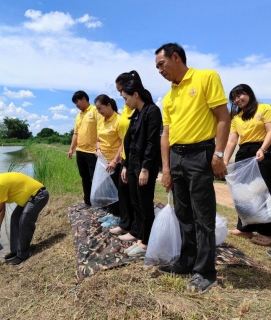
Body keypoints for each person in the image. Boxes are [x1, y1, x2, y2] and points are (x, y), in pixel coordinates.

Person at [155, 42, 230, 294]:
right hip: (176, 157)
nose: (159, 70)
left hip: (200, 154)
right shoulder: (168, 96)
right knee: (183, 214)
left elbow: (223, 116)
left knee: (203, 216)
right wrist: (166, 168)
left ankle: (205, 272)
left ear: (175, 57)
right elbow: (165, 135)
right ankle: (187, 261)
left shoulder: (206, 77)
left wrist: (218, 154)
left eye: (161, 64)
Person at [224, 84, 271, 246]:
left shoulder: (264, 109)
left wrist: (263, 149)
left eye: (240, 95)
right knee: (242, 193)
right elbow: (231, 140)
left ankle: (267, 233)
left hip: (262, 152)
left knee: (263, 192)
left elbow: (270, 131)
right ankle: (245, 228)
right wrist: (224, 160)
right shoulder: (236, 118)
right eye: (234, 98)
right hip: (243, 154)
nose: (237, 100)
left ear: (249, 93)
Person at [120, 79, 162, 257]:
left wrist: (145, 168)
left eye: (126, 98)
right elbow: (129, 142)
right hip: (133, 163)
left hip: (145, 164)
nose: (125, 102)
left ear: (135, 95)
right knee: (135, 201)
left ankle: (146, 242)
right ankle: (139, 234)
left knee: (145, 203)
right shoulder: (136, 114)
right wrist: (125, 165)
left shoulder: (152, 111)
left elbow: (152, 142)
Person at [0, 170, 49, 266]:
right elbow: (2, 206)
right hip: (29, 199)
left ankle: (23, 254)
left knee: (24, 221)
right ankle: (15, 250)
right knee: (15, 218)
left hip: (39, 196)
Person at [109, 71, 146, 240]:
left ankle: (136, 229)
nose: (121, 95)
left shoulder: (139, 108)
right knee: (124, 192)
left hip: (136, 158)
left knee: (136, 198)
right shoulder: (126, 107)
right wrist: (121, 160)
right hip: (126, 157)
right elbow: (125, 137)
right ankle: (126, 224)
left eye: (122, 90)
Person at [68, 91, 101, 209]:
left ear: (83, 99)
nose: (76, 105)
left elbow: (101, 129)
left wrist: (99, 147)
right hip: (80, 151)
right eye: (75, 103)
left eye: (77, 102)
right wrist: (71, 148)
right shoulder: (78, 116)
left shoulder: (95, 110)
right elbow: (75, 133)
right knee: (85, 177)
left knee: (95, 178)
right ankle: (88, 202)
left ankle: (99, 203)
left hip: (92, 152)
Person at [93, 94, 122, 226]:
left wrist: (115, 161)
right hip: (103, 161)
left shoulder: (119, 120)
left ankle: (118, 216)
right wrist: (97, 149)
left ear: (109, 105)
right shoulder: (101, 121)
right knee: (106, 189)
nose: (99, 112)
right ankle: (111, 212)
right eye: (97, 109)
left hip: (115, 162)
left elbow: (123, 143)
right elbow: (98, 140)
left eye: (101, 108)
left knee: (116, 189)